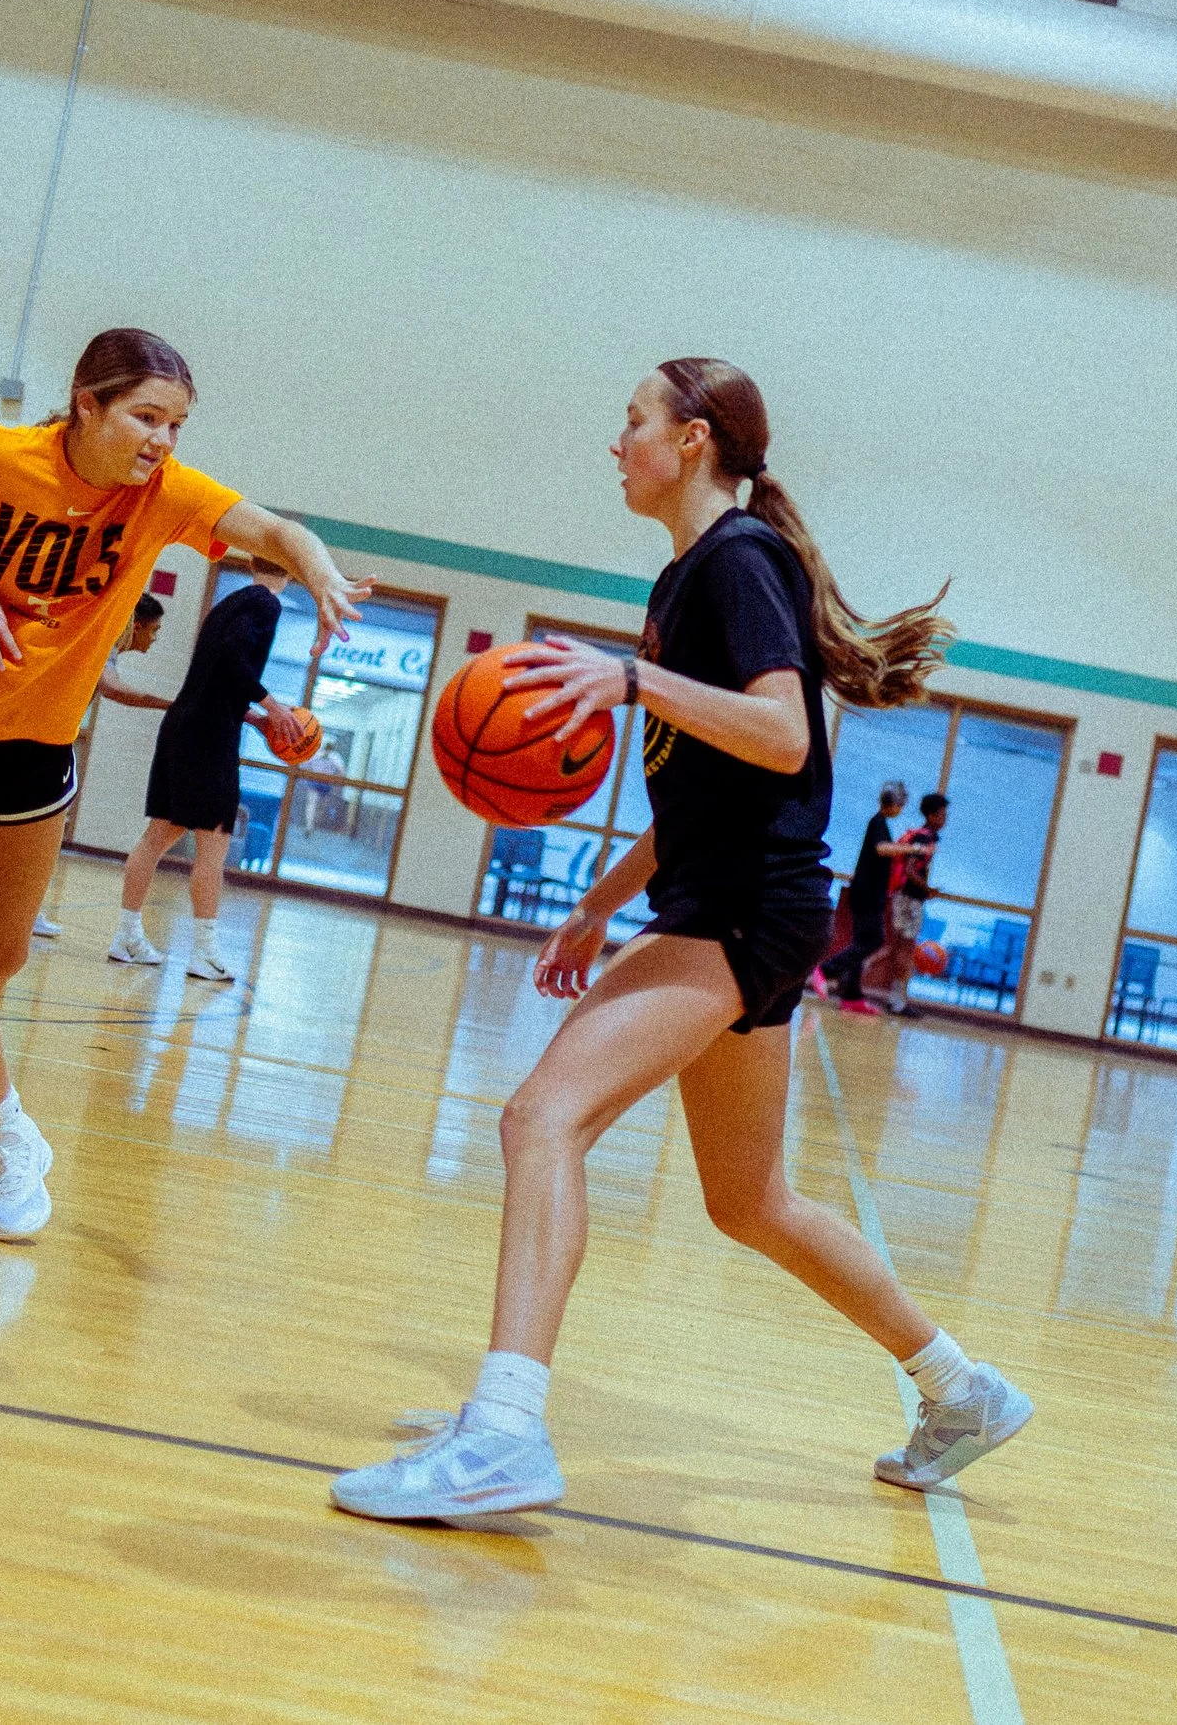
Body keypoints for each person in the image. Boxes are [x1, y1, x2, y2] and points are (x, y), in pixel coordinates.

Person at [330, 357, 1028, 1522]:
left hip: (744, 907)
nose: (616, 441)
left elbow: (786, 734)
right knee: (749, 1201)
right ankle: (961, 1387)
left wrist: (629, 679)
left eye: (632, 420)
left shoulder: (737, 560)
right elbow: (701, 786)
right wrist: (602, 902)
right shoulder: (693, 578)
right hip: (738, 896)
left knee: (540, 1118)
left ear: (693, 439)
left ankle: (503, 1433)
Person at [0, 329, 371, 1236]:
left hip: (40, 741)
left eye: (177, 423)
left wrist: (318, 571)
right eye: (145, 416)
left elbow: (273, 530)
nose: (163, 440)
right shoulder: (0, 456)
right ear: (86, 403)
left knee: (0, 959)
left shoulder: (165, 494)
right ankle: (12, 1133)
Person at [110, 560, 304, 979]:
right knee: (215, 841)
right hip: (209, 735)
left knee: (158, 834)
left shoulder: (229, 601)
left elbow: (216, 670)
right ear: (287, 566)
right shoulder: (266, 603)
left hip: (184, 722)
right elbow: (234, 660)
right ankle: (205, 951)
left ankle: (126, 935)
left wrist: (248, 714)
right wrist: (272, 706)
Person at [33, 592, 169, 939]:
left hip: (50, 735)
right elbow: (111, 688)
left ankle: (25, 908)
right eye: (154, 630)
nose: (155, 639)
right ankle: (19, 909)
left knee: (46, 828)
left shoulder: (107, 641)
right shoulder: (107, 636)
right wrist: (168, 704)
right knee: (42, 828)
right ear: (137, 626)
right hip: (40, 737)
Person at [850, 791, 949, 1017]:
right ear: (932, 816)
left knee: (896, 947)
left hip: (901, 897)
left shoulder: (917, 835)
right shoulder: (924, 838)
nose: (944, 819)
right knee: (905, 949)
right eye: (942, 814)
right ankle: (897, 1002)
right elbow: (911, 870)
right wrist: (928, 890)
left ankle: (861, 968)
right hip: (910, 899)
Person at [818, 779, 906, 1006]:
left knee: (860, 943)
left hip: (866, 893)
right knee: (873, 940)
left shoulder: (879, 824)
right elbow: (881, 848)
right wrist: (912, 848)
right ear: (895, 804)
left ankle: (852, 995)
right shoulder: (878, 824)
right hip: (868, 895)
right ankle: (827, 970)